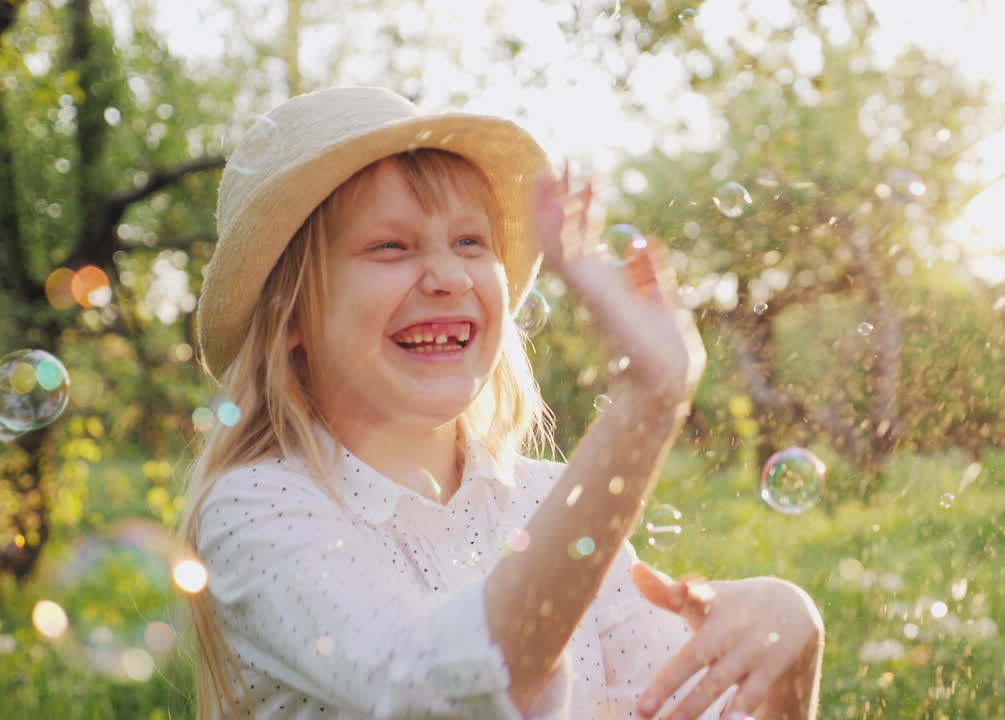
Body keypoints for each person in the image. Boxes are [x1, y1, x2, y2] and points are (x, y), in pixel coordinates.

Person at [179, 86, 824, 720]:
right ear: (291, 315)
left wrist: (793, 648)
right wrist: (646, 405)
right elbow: (430, 684)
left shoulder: (549, 503)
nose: (449, 277)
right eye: (390, 246)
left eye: (469, 242)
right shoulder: (259, 510)